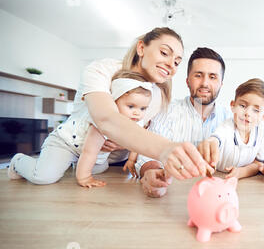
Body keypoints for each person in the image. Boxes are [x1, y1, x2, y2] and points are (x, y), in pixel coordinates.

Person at [8, 70, 161, 186]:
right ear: (114, 102)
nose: (137, 113)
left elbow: (138, 140)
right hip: (65, 143)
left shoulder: (135, 121)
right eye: (131, 106)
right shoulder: (103, 121)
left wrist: (132, 159)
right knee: (43, 177)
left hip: (85, 151)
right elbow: (89, 152)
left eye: (142, 109)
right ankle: (18, 161)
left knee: (100, 167)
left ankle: (69, 164)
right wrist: (84, 178)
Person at [135, 47, 231, 197]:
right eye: (198, 75)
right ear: (187, 81)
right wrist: (151, 170)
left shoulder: (231, 118)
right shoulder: (167, 111)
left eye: (212, 77)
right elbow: (148, 154)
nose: (205, 83)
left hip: (218, 196)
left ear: (221, 84)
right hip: (174, 196)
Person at [199, 78, 264, 183]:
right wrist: (211, 142)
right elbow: (216, 139)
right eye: (242, 106)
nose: (247, 113)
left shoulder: (263, 133)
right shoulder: (227, 127)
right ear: (232, 106)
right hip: (218, 177)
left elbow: (259, 164)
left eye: (256, 110)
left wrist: (241, 172)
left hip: (242, 181)